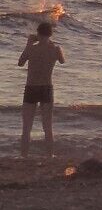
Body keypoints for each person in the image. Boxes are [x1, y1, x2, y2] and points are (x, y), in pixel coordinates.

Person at [18, 19, 63, 157]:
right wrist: (52, 45)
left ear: (38, 33)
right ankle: (50, 155)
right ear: (50, 34)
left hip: (31, 87)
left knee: (26, 126)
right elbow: (62, 60)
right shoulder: (55, 49)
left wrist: (29, 43)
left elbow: (20, 62)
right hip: (46, 87)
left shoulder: (32, 48)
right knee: (47, 126)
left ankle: (24, 155)